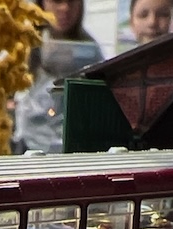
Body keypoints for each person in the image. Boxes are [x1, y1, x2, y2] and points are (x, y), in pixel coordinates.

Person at [11, 0, 105, 155]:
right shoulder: (27, 44)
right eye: (57, 1)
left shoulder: (91, 50)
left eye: (72, 1)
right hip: (30, 147)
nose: (64, 8)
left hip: (76, 148)